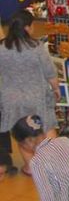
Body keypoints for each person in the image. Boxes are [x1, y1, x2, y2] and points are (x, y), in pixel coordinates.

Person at [0, 10, 60, 174]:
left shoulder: (2, 48)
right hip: (36, 97)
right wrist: (56, 89)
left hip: (12, 100)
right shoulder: (36, 47)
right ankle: (52, 163)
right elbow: (50, 73)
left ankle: (30, 167)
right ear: (27, 28)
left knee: (22, 133)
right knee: (46, 127)